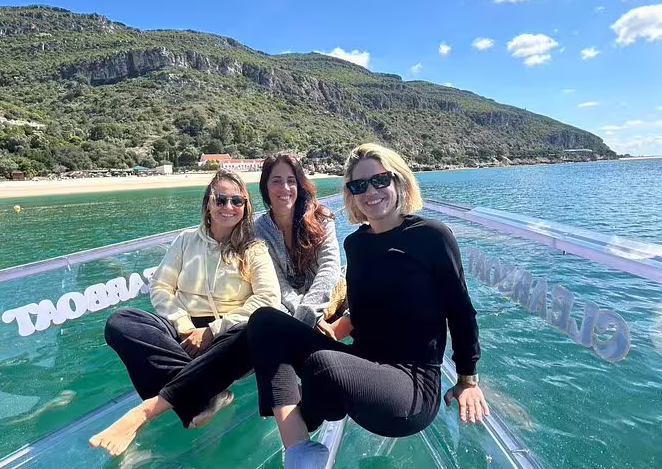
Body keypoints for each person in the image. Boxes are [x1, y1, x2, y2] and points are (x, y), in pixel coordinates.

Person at [246, 143, 489, 468]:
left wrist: (467, 380)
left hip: (411, 386)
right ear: (351, 194)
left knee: (324, 366)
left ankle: (307, 412)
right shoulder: (356, 243)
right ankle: (299, 450)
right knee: (265, 321)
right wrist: (331, 330)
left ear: (399, 181)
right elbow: (360, 311)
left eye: (380, 180)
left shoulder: (433, 236)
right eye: (358, 185)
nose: (370, 191)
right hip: (364, 366)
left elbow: (460, 311)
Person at [89, 169, 281, 456]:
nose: (229, 207)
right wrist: (183, 325)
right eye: (221, 199)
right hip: (184, 328)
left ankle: (154, 414)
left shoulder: (254, 249)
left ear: (245, 206)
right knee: (121, 321)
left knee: (255, 330)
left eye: (237, 201)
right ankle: (207, 395)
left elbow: (268, 299)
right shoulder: (186, 240)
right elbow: (162, 287)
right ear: (208, 203)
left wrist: (213, 331)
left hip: (227, 333)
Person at [254, 153, 342, 334]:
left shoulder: (322, 217)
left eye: (291, 181)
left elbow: (330, 266)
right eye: (276, 181)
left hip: (327, 296)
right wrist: (301, 316)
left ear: (299, 185)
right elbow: (277, 282)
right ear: (266, 187)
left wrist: (309, 312)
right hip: (287, 304)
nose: (284, 188)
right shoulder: (259, 230)